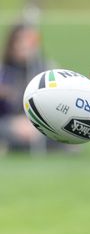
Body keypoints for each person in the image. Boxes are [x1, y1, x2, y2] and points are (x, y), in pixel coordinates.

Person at [0, 22, 51, 152]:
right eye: (20, 41)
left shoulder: (47, 71)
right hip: (9, 124)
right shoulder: (3, 71)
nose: (25, 46)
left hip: (40, 125)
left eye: (30, 41)